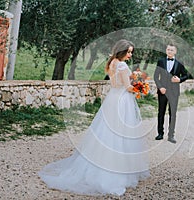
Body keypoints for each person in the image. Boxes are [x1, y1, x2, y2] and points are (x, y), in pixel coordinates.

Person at [39, 39, 149, 196]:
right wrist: (141, 87)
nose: (130, 55)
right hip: (122, 100)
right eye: (129, 52)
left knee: (106, 131)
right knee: (120, 133)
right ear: (122, 51)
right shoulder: (123, 66)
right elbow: (127, 87)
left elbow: (115, 85)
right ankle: (115, 171)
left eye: (131, 52)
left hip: (112, 99)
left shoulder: (111, 63)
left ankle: (99, 163)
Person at [153, 44, 190, 144]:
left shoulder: (179, 63)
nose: (169, 51)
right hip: (163, 91)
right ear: (166, 50)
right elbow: (156, 76)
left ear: (175, 52)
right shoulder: (161, 62)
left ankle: (171, 135)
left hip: (174, 92)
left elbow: (187, 75)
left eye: (172, 50)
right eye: (168, 49)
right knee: (161, 112)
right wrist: (160, 87)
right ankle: (160, 133)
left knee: (172, 114)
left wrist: (179, 79)